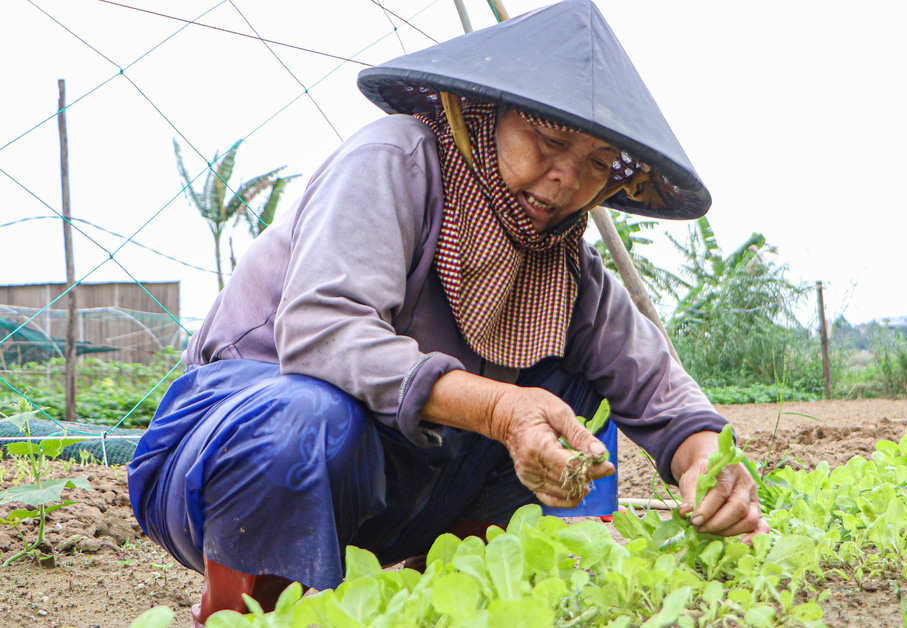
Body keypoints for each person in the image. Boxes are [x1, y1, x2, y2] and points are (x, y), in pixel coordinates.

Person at [127, 1, 766, 625]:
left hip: (394, 482)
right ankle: (249, 613)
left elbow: (654, 383)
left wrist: (706, 464)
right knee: (308, 416)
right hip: (227, 454)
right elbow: (323, 331)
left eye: (596, 165)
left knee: (573, 392)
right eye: (548, 140)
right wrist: (499, 408)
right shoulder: (395, 163)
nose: (565, 179)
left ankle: (450, 593)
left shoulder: (563, 260)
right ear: (487, 114)